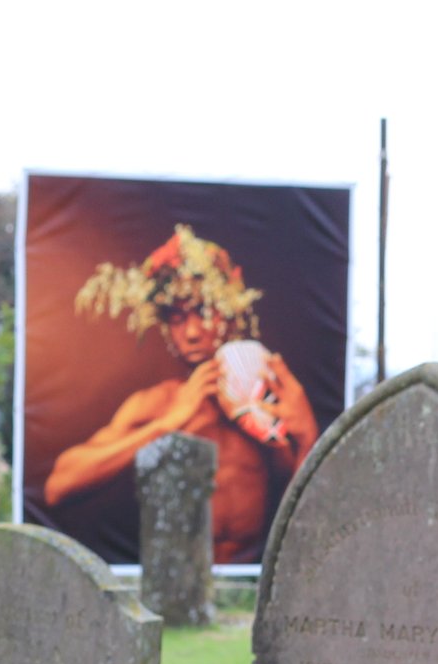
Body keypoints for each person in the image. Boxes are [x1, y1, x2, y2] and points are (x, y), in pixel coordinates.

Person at [45, 225, 318, 564]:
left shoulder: (266, 399)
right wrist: (168, 424)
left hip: (249, 586)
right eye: (176, 319)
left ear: (229, 313)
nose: (190, 332)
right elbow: (59, 486)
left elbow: (302, 518)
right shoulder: (157, 404)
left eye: (203, 313)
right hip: (175, 592)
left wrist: (308, 438)